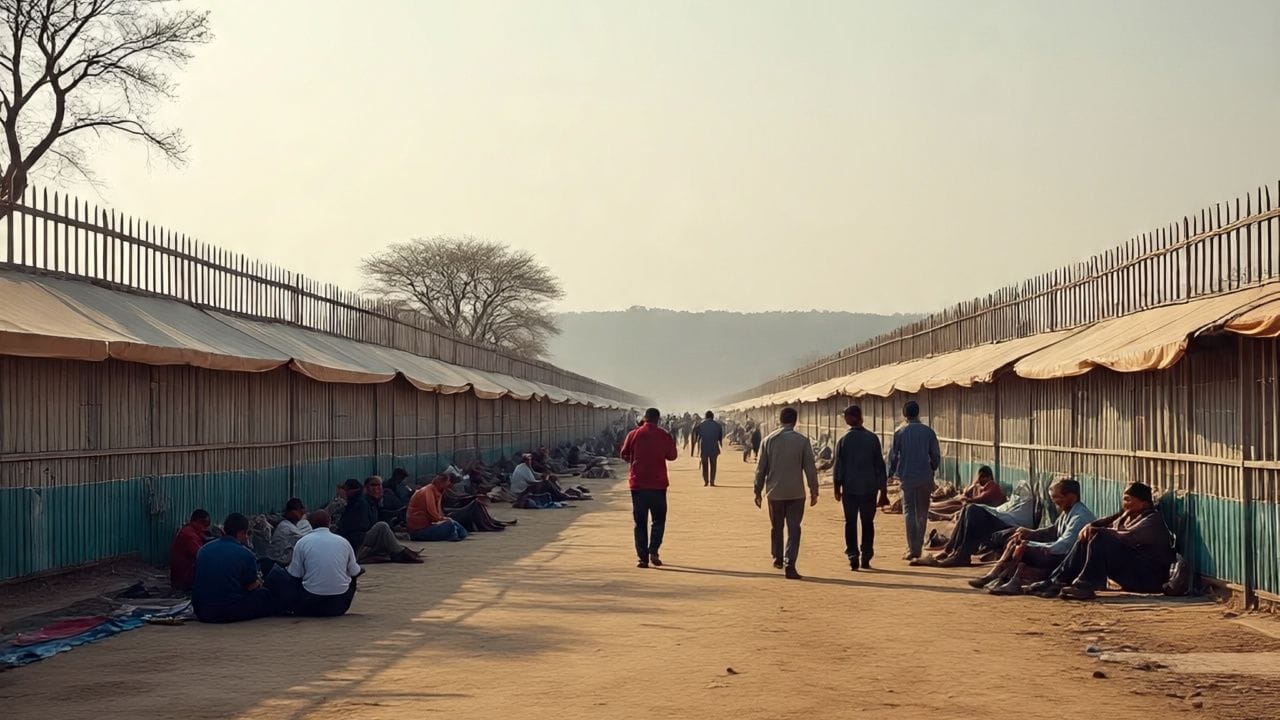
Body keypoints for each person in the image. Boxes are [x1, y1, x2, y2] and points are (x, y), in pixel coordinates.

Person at [1030, 482, 1174, 601]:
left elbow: (1126, 537)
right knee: (1087, 538)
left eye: (1128, 500)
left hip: (1148, 578)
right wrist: (1091, 527)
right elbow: (1108, 526)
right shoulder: (1126, 517)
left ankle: (1086, 584)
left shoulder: (1152, 521)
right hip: (1132, 572)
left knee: (1101, 536)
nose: (1124, 504)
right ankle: (1057, 580)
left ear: (1143, 503)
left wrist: (1097, 531)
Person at [971, 479, 1095, 595]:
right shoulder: (1068, 511)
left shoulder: (1080, 517)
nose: (1054, 502)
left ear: (1071, 497)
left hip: (1067, 560)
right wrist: (1029, 533)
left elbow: (1062, 546)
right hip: (1059, 552)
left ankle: (1007, 578)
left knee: (1022, 547)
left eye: (1057, 497)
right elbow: (1053, 531)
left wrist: (1031, 544)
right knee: (1015, 540)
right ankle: (998, 574)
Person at [754, 407, 819, 580]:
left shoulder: (768, 440)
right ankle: (790, 563)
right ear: (795, 421)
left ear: (780, 420)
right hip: (796, 493)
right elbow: (810, 469)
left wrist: (757, 491)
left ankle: (777, 557)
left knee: (777, 526)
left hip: (775, 493)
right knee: (794, 528)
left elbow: (761, 469)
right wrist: (814, 490)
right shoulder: (802, 441)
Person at [917, 481, 1035, 567]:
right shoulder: (1013, 503)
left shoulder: (1025, 506)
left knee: (973, 510)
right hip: (1003, 521)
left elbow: (1008, 517)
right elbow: (1000, 510)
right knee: (968, 508)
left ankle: (962, 555)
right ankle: (950, 550)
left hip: (1008, 528)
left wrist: (984, 508)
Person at [192, 513, 280, 623]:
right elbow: (250, 587)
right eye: (247, 533)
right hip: (226, 612)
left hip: (201, 611)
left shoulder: (203, 550)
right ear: (241, 533)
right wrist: (259, 582)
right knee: (264, 595)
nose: (247, 537)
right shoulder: (246, 554)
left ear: (224, 530)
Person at [620, 407, 679, 568]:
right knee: (658, 520)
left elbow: (624, 454)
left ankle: (642, 558)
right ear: (658, 419)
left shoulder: (633, 434)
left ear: (644, 418)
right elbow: (672, 456)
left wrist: (635, 462)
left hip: (638, 484)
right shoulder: (664, 434)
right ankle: (653, 550)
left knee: (640, 522)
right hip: (658, 485)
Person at [832, 405, 889, 571]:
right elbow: (880, 466)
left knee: (850, 522)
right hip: (869, 489)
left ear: (853, 417)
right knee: (867, 522)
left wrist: (837, 487)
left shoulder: (843, 440)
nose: (845, 419)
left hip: (849, 489)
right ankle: (866, 555)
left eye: (846, 417)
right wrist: (883, 491)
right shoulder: (872, 439)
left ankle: (853, 555)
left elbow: (838, 467)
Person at [887, 400, 941, 562]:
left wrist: (890, 473)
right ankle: (918, 546)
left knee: (909, 511)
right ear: (918, 413)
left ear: (905, 414)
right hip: (925, 476)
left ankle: (913, 549)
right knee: (922, 512)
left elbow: (893, 455)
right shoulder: (928, 432)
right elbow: (936, 455)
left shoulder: (900, 432)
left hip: (907, 477)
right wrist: (931, 468)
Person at [285, 510, 362, 617]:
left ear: (310, 524)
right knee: (354, 573)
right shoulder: (343, 542)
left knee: (286, 575)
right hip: (339, 604)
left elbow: (295, 574)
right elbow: (355, 571)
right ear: (329, 522)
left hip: (310, 604)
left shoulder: (302, 542)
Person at [338, 477, 423, 563]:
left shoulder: (371, 501)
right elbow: (358, 527)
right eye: (373, 485)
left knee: (383, 530)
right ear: (365, 488)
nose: (376, 489)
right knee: (382, 526)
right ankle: (399, 553)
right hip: (356, 542)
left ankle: (400, 551)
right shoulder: (360, 502)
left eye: (379, 485)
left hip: (359, 539)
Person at [406, 474, 470, 541]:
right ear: (441, 483)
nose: (448, 485)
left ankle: (452, 532)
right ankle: (452, 534)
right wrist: (444, 519)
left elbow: (438, 514)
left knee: (461, 530)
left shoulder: (437, 492)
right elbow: (432, 513)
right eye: (447, 483)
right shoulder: (428, 491)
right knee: (450, 525)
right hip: (419, 531)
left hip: (428, 526)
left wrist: (444, 519)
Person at [929, 466, 1005, 521]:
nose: (980, 480)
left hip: (988, 510)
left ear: (988, 477)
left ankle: (937, 512)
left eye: (982, 477)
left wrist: (967, 499)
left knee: (961, 505)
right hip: (980, 506)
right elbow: (966, 492)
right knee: (958, 501)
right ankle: (933, 508)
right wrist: (973, 485)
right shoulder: (980, 486)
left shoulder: (992, 487)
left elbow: (981, 499)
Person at [169, 509, 210, 591]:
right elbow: (202, 557)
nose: (205, 529)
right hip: (184, 579)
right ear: (196, 522)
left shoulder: (190, 532)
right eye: (204, 525)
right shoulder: (189, 536)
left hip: (183, 577)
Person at [264, 498, 312, 566]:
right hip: (276, 563)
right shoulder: (284, 526)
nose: (300, 513)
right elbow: (303, 539)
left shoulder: (303, 524)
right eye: (297, 510)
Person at [695, 410, 724, 486]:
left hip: (704, 447)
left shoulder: (701, 425)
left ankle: (706, 481)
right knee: (713, 465)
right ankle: (712, 481)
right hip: (714, 448)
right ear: (712, 417)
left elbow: (698, 437)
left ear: (706, 417)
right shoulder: (718, 425)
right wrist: (720, 443)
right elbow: (720, 437)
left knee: (705, 465)